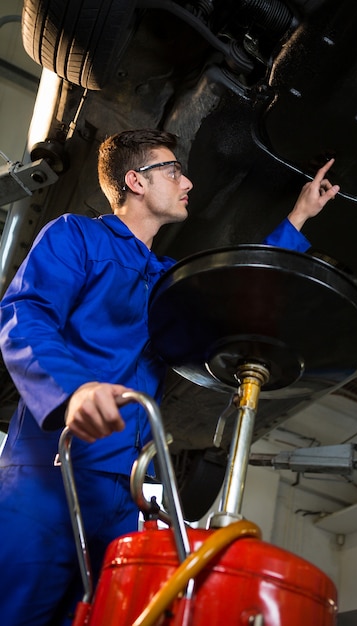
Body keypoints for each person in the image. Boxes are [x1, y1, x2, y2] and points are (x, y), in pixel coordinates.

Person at [0, 128, 339, 625]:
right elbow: (23, 315)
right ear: (135, 181)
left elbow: (238, 289)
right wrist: (74, 391)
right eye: (173, 170)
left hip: (124, 499)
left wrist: (299, 216)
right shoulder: (76, 235)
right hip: (49, 476)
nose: (188, 182)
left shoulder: (165, 277)